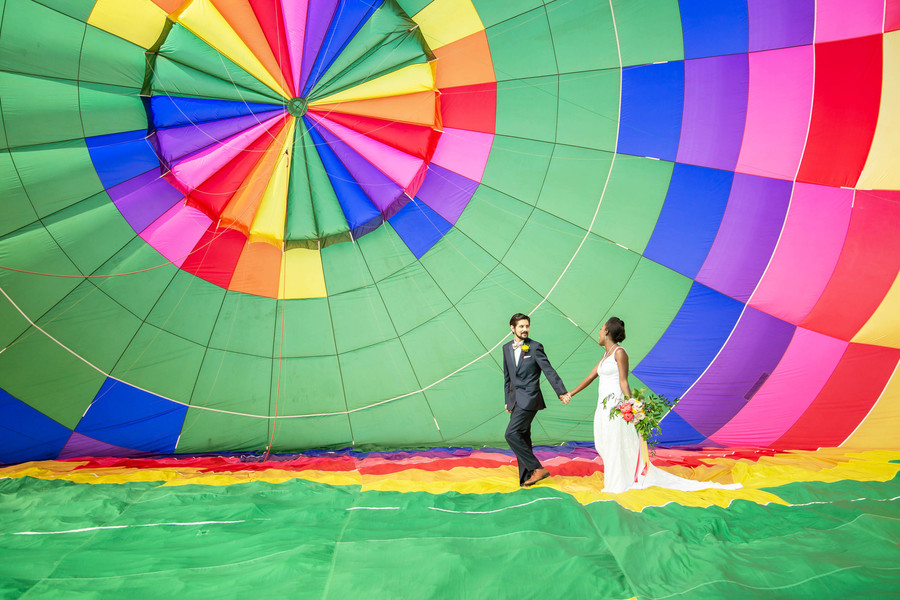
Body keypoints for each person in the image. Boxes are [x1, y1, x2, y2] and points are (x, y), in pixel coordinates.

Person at [566, 317, 741, 493]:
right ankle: (617, 477)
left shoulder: (620, 353)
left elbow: (623, 382)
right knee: (603, 443)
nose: (598, 332)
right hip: (602, 407)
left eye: (601, 328)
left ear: (606, 332)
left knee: (615, 442)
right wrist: (570, 394)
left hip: (615, 406)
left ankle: (619, 482)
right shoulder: (605, 356)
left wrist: (632, 407)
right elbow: (590, 376)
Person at [503, 313, 570, 487]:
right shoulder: (506, 348)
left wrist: (561, 392)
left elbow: (549, 371)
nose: (525, 329)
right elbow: (507, 377)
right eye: (521, 326)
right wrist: (507, 401)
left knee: (510, 434)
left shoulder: (535, 347)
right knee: (522, 436)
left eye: (527, 326)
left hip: (530, 398)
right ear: (512, 328)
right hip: (515, 400)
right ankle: (526, 477)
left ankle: (537, 468)